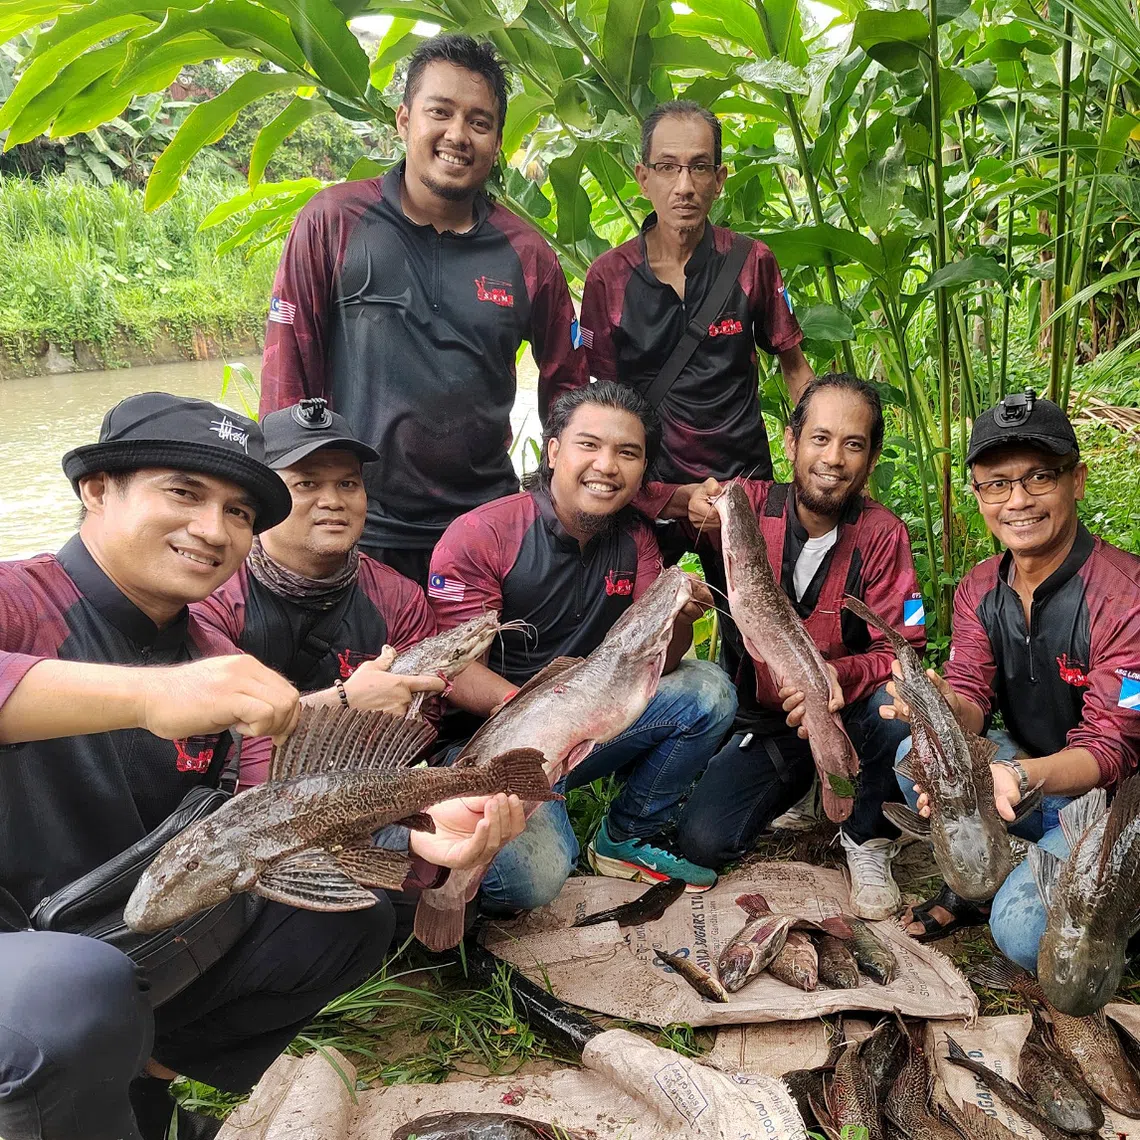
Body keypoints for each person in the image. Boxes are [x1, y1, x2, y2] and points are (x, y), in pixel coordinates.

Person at [0, 393, 526, 1140]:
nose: (213, 529)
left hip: (128, 922)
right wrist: (149, 695)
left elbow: (269, 796)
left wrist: (416, 830)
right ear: (96, 489)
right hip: (35, 961)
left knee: (344, 922)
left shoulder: (216, 659)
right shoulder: (21, 599)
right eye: (184, 493)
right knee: (73, 992)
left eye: (241, 512)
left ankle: (140, 1100)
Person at [260, 33, 587, 587]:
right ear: (404, 118)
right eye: (440, 112)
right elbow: (288, 373)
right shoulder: (333, 222)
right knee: (367, 674)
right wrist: (284, 507)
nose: (457, 135)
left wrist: (554, 507)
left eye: (479, 122)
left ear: (498, 140)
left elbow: (569, 390)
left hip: (484, 528)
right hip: (360, 529)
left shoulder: (526, 254)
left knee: (481, 672)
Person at [427, 382, 738, 905]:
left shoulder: (634, 537)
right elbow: (453, 672)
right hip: (491, 747)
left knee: (709, 690)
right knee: (535, 879)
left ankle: (626, 837)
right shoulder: (483, 534)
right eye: (588, 445)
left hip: (590, 723)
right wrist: (545, 715)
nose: (607, 465)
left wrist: (680, 616)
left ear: (642, 473)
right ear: (553, 452)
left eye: (628, 453)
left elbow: (660, 658)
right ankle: (475, 845)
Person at [884, 390, 1140, 961]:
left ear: (1077, 480)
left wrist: (1021, 778)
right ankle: (980, 883)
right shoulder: (980, 587)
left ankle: (1122, 897)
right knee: (914, 761)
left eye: (1039, 478)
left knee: (1024, 938)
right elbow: (972, 696)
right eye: (996, 484)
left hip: (1117, 800)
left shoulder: (1127, 598)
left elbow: (1111, 750)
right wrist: (941, 704)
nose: (1017, 500)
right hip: (1034, 776)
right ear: (977, 494)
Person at [674, 374, 922, 920]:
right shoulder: (745, 506)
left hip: (849, 713)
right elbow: (659, 504)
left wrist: (840, 677)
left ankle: (868, 836)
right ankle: (807, 785)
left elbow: (904, 650)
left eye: (853, 444)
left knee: (896, 712)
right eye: (820, 438)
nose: (833, 458)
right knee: (702, 842)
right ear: (791, 441)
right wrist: (686, 503)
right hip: (767, 720)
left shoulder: (884, 535)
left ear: (872, 457)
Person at [578, 99, 814, 538]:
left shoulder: (752, 262)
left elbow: (795, 366)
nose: (683, 186)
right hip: (649, 490)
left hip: (743, 484)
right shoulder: (608, 278)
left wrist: (819, 451)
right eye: (667, 167)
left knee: (751, 606)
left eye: (699, 167)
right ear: (643, 177)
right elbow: (601, 400)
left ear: (719, 180)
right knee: (639, 604)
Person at [193, 397, 448, 786]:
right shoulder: (213, 595)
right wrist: (345, 704)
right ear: (264, 498)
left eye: (348, 483)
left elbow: (421, 726)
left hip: (364, 794)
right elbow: (208, 746)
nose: (332, 501)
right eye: (306, 483)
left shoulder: (399, 599)